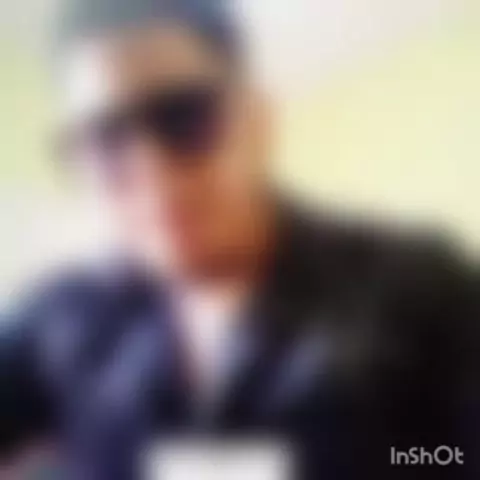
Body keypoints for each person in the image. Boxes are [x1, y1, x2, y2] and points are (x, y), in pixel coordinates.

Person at [0, 0, 478, 478]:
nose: (153, 174)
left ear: (257, 120)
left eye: (183, 116)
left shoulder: (420, 290)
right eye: (106, 141)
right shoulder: (59, 322)